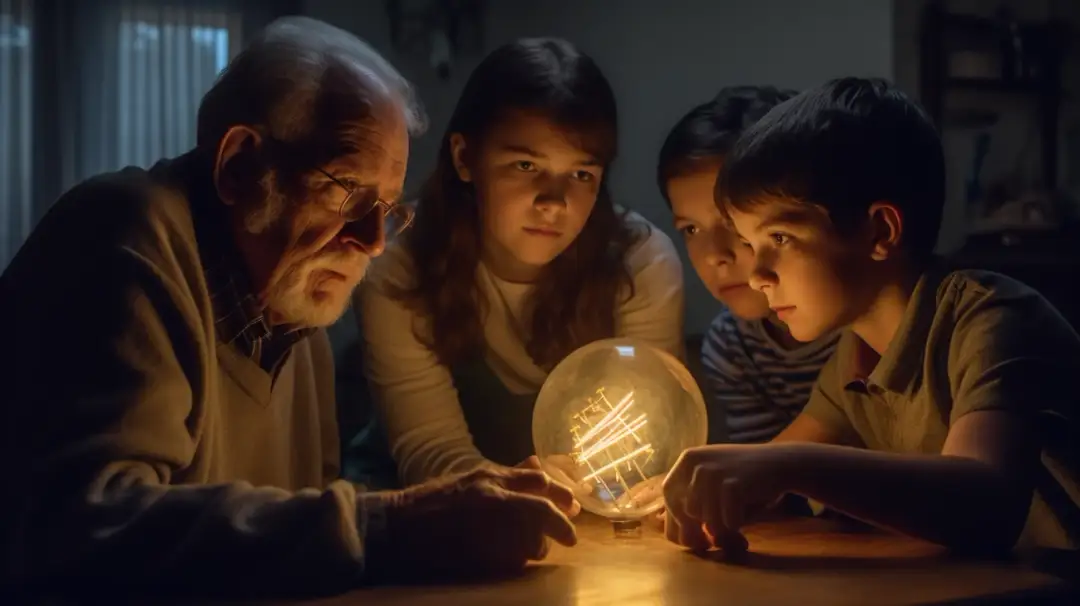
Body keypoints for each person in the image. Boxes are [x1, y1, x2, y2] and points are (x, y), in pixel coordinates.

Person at [0, 17, 579, 597]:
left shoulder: (296, 317)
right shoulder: (121, 236)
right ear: (239, 164)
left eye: (389, 208)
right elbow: (82, 533)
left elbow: (294, 552)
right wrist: (389, 524)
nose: (373, 239)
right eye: (348, 190)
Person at [662, 78, 1080, 555]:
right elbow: (767, 468)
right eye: (751, 245)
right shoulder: (855, 358)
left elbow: (985, 503)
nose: (757, 274)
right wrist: (700, 489)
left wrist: (787, 467)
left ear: (881, 230)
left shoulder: (991, 318)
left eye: (778, 239)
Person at [356, 38, 684, 488]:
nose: (554, 203)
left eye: (581, 174)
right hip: (422, 509)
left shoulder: (638, 264)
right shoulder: (397, 262)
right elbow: (431, 449)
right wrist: (518, 493)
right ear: (465, 158)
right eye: (526, 166)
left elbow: (647, 443)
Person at [658, 86, 839, 445]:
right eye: (690, 229)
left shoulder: (860, 322)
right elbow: (764, 480)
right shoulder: (732, 348)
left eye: (731, 222)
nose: (714, 255)